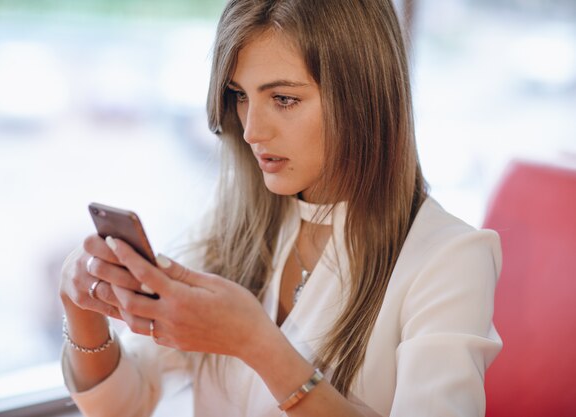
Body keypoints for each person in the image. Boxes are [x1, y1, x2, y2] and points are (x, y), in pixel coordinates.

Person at [59, 0, 502, 416]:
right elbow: (124, 402)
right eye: (240, 95)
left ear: (365, 97)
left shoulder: (451, 258)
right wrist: (81, 309)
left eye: (284, 99)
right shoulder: (239, 223)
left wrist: (258, 345)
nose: (252, 130)